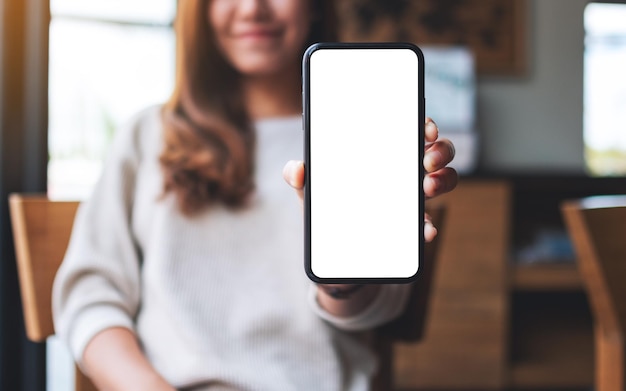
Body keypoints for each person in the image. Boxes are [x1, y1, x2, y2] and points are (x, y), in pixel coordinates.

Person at [52, 0, 458, 390]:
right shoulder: (145, 137)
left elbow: (377, 311)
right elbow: (91, 297)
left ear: (315, 4)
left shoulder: (363, 134)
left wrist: (341, 281)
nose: (252, 8)